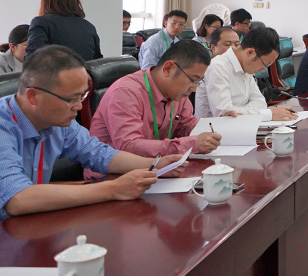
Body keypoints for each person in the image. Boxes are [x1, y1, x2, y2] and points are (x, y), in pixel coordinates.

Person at [0, 46, 186, 220]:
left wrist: (154, 164)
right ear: (33, 96)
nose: (79, 107)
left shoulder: (58, 122)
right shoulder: (4, 126)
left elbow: (100, 154)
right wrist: (114, 189)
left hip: (31, 222)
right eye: (71, 99)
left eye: (82, 96)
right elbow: (18, 199)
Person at [89, 41, 222, 161]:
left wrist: (218, 130)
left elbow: (187, 125)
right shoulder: (126, 92)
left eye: (198, 82)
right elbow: (129, 146)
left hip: (155, 166)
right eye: (192, 80)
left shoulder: (177, 93)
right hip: (114, 173)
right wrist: (191, 144)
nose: (194, 88)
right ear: (168, 68)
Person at [195, 27, 295, 121]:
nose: (263, 69)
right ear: (250, 53)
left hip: (243, 127)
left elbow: (260, 102)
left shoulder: (246, 66)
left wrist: (242, 111)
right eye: (265, 64)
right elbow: (224, 113)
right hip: (213, 130)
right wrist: (268, 114)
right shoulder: (218, 67)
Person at [25, 0, 102, 62]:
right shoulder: (89, 27)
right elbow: (97, 62)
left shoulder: (41, 23)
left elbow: (33, 60)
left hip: (53, 70)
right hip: (82, 70)